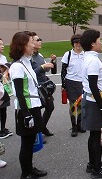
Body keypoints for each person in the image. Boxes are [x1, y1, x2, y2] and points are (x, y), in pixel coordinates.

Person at [9, 31, 47, 179]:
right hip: (26, 108)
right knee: (26, 142)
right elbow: (19, 93)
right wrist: (26, 114)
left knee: (31, 141)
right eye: (30, 42)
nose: (33, 45)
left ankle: (30, 168)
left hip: (34, 105)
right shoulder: (17, 66)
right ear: (22, 45)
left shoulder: (27, 62)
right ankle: (26, 173)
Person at [81, 29, 102, 178]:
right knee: (96, 136)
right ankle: (97, 169)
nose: (101, 42)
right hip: (95, 102)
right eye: (99, 40)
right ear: (92, 43)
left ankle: (93, 163)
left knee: (94, 135)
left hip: (92, 101)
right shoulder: (93, 61)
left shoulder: (89, 58)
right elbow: (94, 85)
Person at [30, 32, 56, 137]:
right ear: (31, 42)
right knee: (37, 111)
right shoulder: (29, 57)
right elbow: (30, 74)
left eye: (40, 39)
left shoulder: (39, 55)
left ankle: (42, 128)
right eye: (37, 40)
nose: (40, 41)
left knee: (50, 107)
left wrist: (51, 61)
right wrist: (41, 67)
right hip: (35, 87)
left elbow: (46, 70)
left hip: (44, 87)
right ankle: (37, 132)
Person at [61, 34, 86, 137]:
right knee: (72, 105)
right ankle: (74, 126)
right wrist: (63, 84)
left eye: (80, 42)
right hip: (71, 82)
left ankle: (80, 124)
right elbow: (63, 70)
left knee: (81, 104)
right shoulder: (68, 54)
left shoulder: (85, 54)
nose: (78, 45)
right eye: (76, 42)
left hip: (82, 82)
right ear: (73, 43)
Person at [0, 38, 13, 139]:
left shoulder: (3, 57)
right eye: (0, 45)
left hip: (4, 85)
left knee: (4, 108)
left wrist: (6, 72)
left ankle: (3, 128)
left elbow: (6, 71)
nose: (2, 46)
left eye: (3, 44)